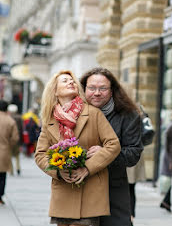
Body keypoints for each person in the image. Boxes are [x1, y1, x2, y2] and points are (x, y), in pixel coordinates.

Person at [35, 70, 121, 226]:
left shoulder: (93, 113)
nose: (71, 82)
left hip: (90, 190)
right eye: (65, 81)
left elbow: (113, 144)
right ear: (54, 91)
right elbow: (40, 154)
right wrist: (58, 172)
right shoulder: (49, 120)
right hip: (63, 192)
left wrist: (87, 168)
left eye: (73, 81)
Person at [80, 67, 143, 226]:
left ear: (112, 90)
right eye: (92, 88)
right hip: (79, 188)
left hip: (113, 189)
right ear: (84, 88)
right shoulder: (74, 114)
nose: (97, 93)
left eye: (103, 88)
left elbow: (133, 154)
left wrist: (106, 154)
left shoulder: (128, 115)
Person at [7, 104, 23, 175]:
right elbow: (22, 129)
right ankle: (18, 167)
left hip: (9, 139)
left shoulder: (8, 118)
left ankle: (11, 170)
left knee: (9, 155)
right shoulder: (19, 118)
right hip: (18, 139)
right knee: (17, 155)